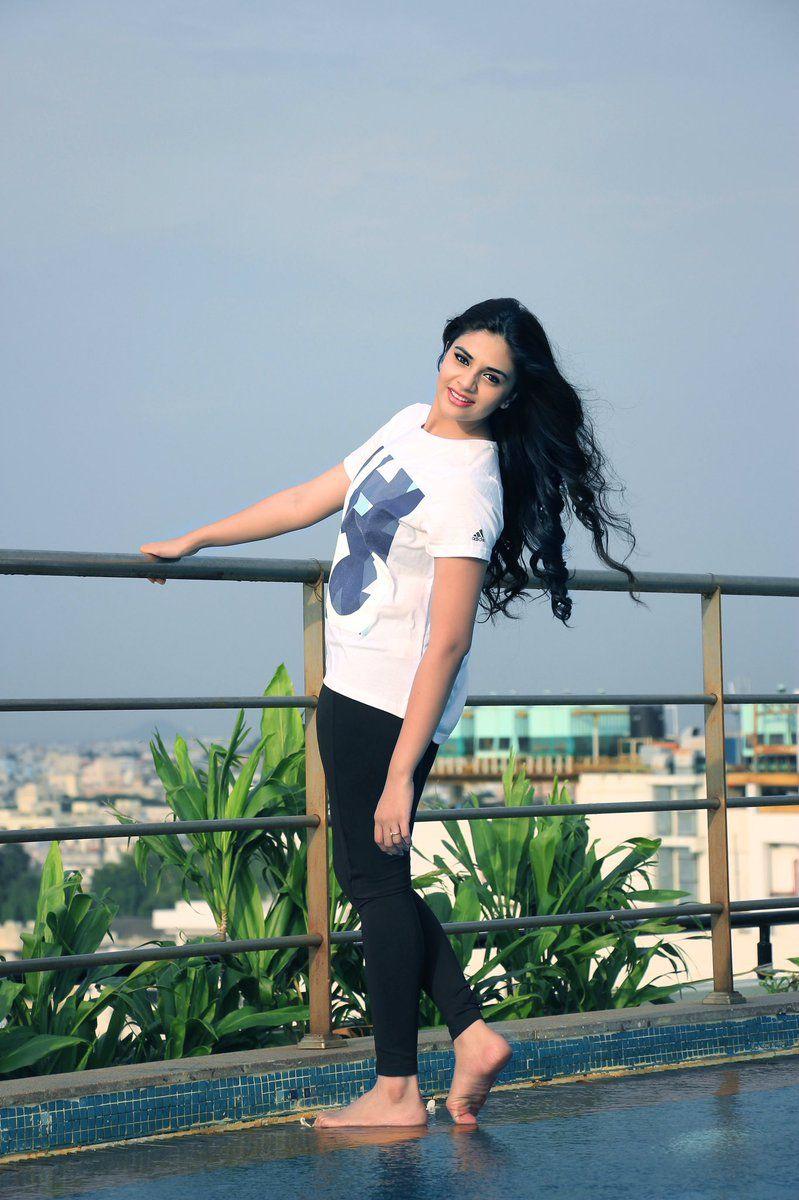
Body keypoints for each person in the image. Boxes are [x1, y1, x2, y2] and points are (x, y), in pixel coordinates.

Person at [140, 297, 641, 1129]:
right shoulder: (408, 423)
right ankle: (471, 1036)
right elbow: (307, 497)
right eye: (460, 358)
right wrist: (196, 538)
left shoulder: (471, 488)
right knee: (376, 882)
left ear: (512, 394)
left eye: (491, 376)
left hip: (391, 705)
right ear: (443, 352)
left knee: (374, 887)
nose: (466, 382)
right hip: (351, 687)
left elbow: (448, 642)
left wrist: (402, 774)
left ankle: (398, 1089)